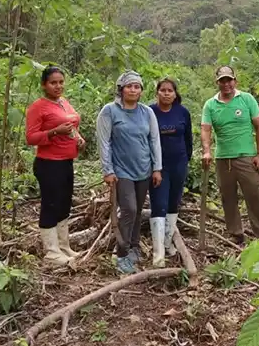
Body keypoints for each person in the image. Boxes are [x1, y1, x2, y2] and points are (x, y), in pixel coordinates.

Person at [97, 70, 162, 274]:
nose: (133, 90)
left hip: (143, 169)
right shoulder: (109, 111)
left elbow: (154, 140)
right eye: (129, 86)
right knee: (129, 209)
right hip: (121, 170)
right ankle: (122, 253)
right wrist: (107, 170)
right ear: (121, 89)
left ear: (141, 90)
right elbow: (104, 142)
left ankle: (134, 246)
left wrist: (157, 168)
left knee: (138, 210)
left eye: (137, 87)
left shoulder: (147, 112)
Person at [200, 65, 259, 244]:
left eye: (229, 80)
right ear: (217, 82)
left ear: (235, 81)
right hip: (223, 159)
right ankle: (236, 233)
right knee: (228, 197)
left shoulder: (246, 99)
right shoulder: (210, 105)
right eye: (222, 81)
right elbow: (206, 129)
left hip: (246, 157)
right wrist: (207, 151)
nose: (226, 84)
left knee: (255, 195)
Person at [25, 66, 86, 266]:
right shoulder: (38, 107)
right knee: (50, 205)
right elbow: (30, 138)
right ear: (44, 85)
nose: (58, 86)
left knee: (64, 204)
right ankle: (51, 252)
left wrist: (79, 139)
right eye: (53, 83)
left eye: (61, 82)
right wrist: (53, 132)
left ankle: (64, 246)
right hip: (49, 163)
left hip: (66, 161)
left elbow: (71, 126)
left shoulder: (63, 102)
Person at [149, 78, 193, 267]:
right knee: (159, 204)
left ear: (175, 94)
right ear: (157, 92)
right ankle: (158, 253)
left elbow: (188, 139)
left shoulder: (182, 112)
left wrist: (185, 160)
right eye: (163, 90)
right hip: (158, 167)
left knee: (174, 203)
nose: (166, 93)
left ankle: (168, 243)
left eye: (170, 90)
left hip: (179, 164)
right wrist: (154, 167)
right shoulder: (150, 112)